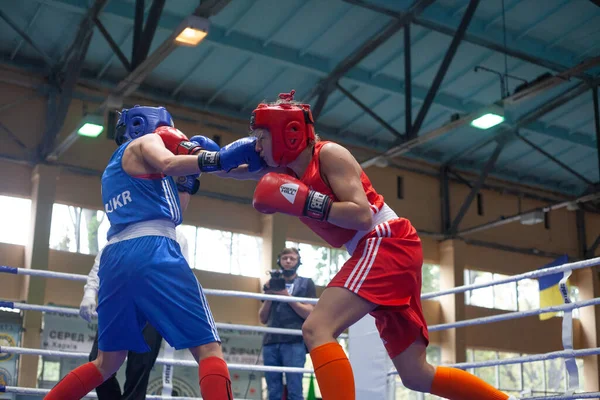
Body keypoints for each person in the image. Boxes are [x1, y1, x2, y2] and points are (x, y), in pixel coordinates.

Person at [216, 90, 518, 400]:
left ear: (286, 134)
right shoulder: (288, 172)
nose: (256, 146)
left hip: (385, 240)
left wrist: (309, 203)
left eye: (261, 137)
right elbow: (230, 171)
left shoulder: (329, 154)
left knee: (316, 327)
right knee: (416, 374)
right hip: (383, 248)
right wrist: (202, 158)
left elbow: (361, 215)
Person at [44, 104, 264, 400]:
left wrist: (189, 184)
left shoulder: (115, 168)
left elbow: (171, 216)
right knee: (209, 349)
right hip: (153, 251)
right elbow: (172, 165)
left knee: (105, 363)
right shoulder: (146, 142)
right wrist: (220, 158)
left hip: (116, 257)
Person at [79, 226, 191, 400]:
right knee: (97, 363)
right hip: (117, 302)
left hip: (153, 308)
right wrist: (90, 292)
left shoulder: (176, 236)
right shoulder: (124, 225)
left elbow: (180, 276)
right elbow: (103, 262)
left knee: (139, 369)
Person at [259, 247, 316, 400]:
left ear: (298, 262)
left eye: (292, 258)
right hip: (271, 341)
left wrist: (286, 296)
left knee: (295, 390)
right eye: (285, 258)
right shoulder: (272, 283)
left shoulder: (306, 283)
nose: (288, 261)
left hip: (294, 341)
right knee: (273, 391)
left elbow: (309, 313)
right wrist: (270, 294)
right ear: (279, 261)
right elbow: (262, 318)